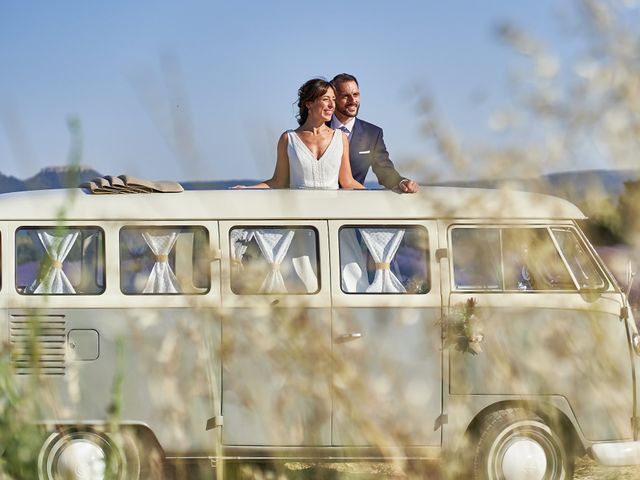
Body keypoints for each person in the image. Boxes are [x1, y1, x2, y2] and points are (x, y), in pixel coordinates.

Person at [235, 78, 365, 190]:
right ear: (309, 103)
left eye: (333, 99)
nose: (332, 105)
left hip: (332, 214)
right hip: (299, 214)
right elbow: (278, 182)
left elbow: (347, 181)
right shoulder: (288, 139)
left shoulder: (340, 138)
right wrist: (248, 188)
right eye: (326, 99)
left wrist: (381, 196)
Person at [330, 73, 418, 193]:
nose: (353, 100)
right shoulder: (316, 129)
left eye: (356, 94)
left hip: (353, 205)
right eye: (345, 96)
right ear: (333, 99)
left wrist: (401, 182)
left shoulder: (372, 133)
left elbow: (384, 170)